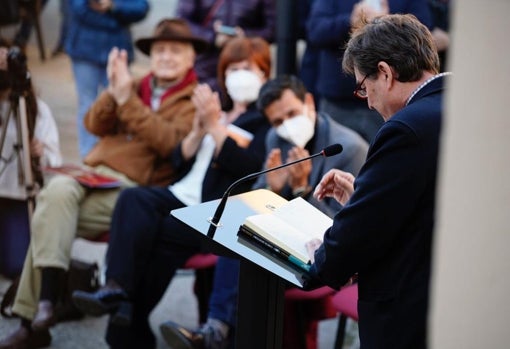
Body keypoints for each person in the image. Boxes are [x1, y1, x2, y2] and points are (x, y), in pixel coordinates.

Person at [0, 18, 205, 349]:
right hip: (92, 175)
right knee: (57, 192)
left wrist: (127, 100)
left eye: (175, 51)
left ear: (192, 57)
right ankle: (47, 304)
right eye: (160, 50)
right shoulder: (135, 84)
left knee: (49, 213)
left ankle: (36, 318)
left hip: (134, 191)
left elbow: (171, 144)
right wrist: (113, 90)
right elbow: (92, 123)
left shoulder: (195, 97)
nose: (166, 56)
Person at [71, 36, 273, 349]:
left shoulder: (264, 121)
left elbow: (249, 166)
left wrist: (216, 129)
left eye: (246, 68)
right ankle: (116, 287)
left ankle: (129, 321)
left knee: (156, 236)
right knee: (133, 199)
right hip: (179, 195)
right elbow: (180, 158)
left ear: (264, 74)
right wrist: (198, 129)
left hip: (212, 213)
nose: (238, 75)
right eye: (231, 68)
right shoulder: (217, 111)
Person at [158, 75, 369, 349]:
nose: (286, 126)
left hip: (321, 251)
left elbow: (345, 226)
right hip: (281, 237)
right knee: (239, 239)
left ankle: (216, 331)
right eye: (277, 121)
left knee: (250, 257)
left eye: (291, 114)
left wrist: (302, 189)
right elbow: (255, 200)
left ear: (309, 102)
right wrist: (274, 186)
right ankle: (217, 330)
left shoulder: (348, 149)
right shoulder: (275, 138)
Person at [308, 14, 451, 348]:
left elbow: (357, 235)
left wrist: (316, 262)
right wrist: (364, 197)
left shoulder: (405, 127)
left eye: (363, 87)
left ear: (385, 73)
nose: (369, 101)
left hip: (408, 309)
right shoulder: (462, 103)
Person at [305, 0, 432, 143]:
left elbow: (423, 35)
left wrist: (384, 26)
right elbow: (315, 30)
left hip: (388, 102)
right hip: (338, 101)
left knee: (386, 156)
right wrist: (351, 20)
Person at [0, 37, 62, 278]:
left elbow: (55, 162)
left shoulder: (34, 108)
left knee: (16, 266)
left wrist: (40, 153)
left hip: (17, 196)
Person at [65, 0, 149, 158]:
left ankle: (113, 152)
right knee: (87, 103)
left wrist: (113, 7)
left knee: (121, 102)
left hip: (117, 49)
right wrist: (115, 21)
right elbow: (77, 8)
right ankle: (88, 153)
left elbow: (141, 8)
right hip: (85, 50)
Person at [176, 0, 276, 107]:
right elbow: (182, 24)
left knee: (244, 108)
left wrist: (244, 36)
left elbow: (274, 28)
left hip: (244, 64)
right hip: (205, 66)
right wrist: (213, 37)